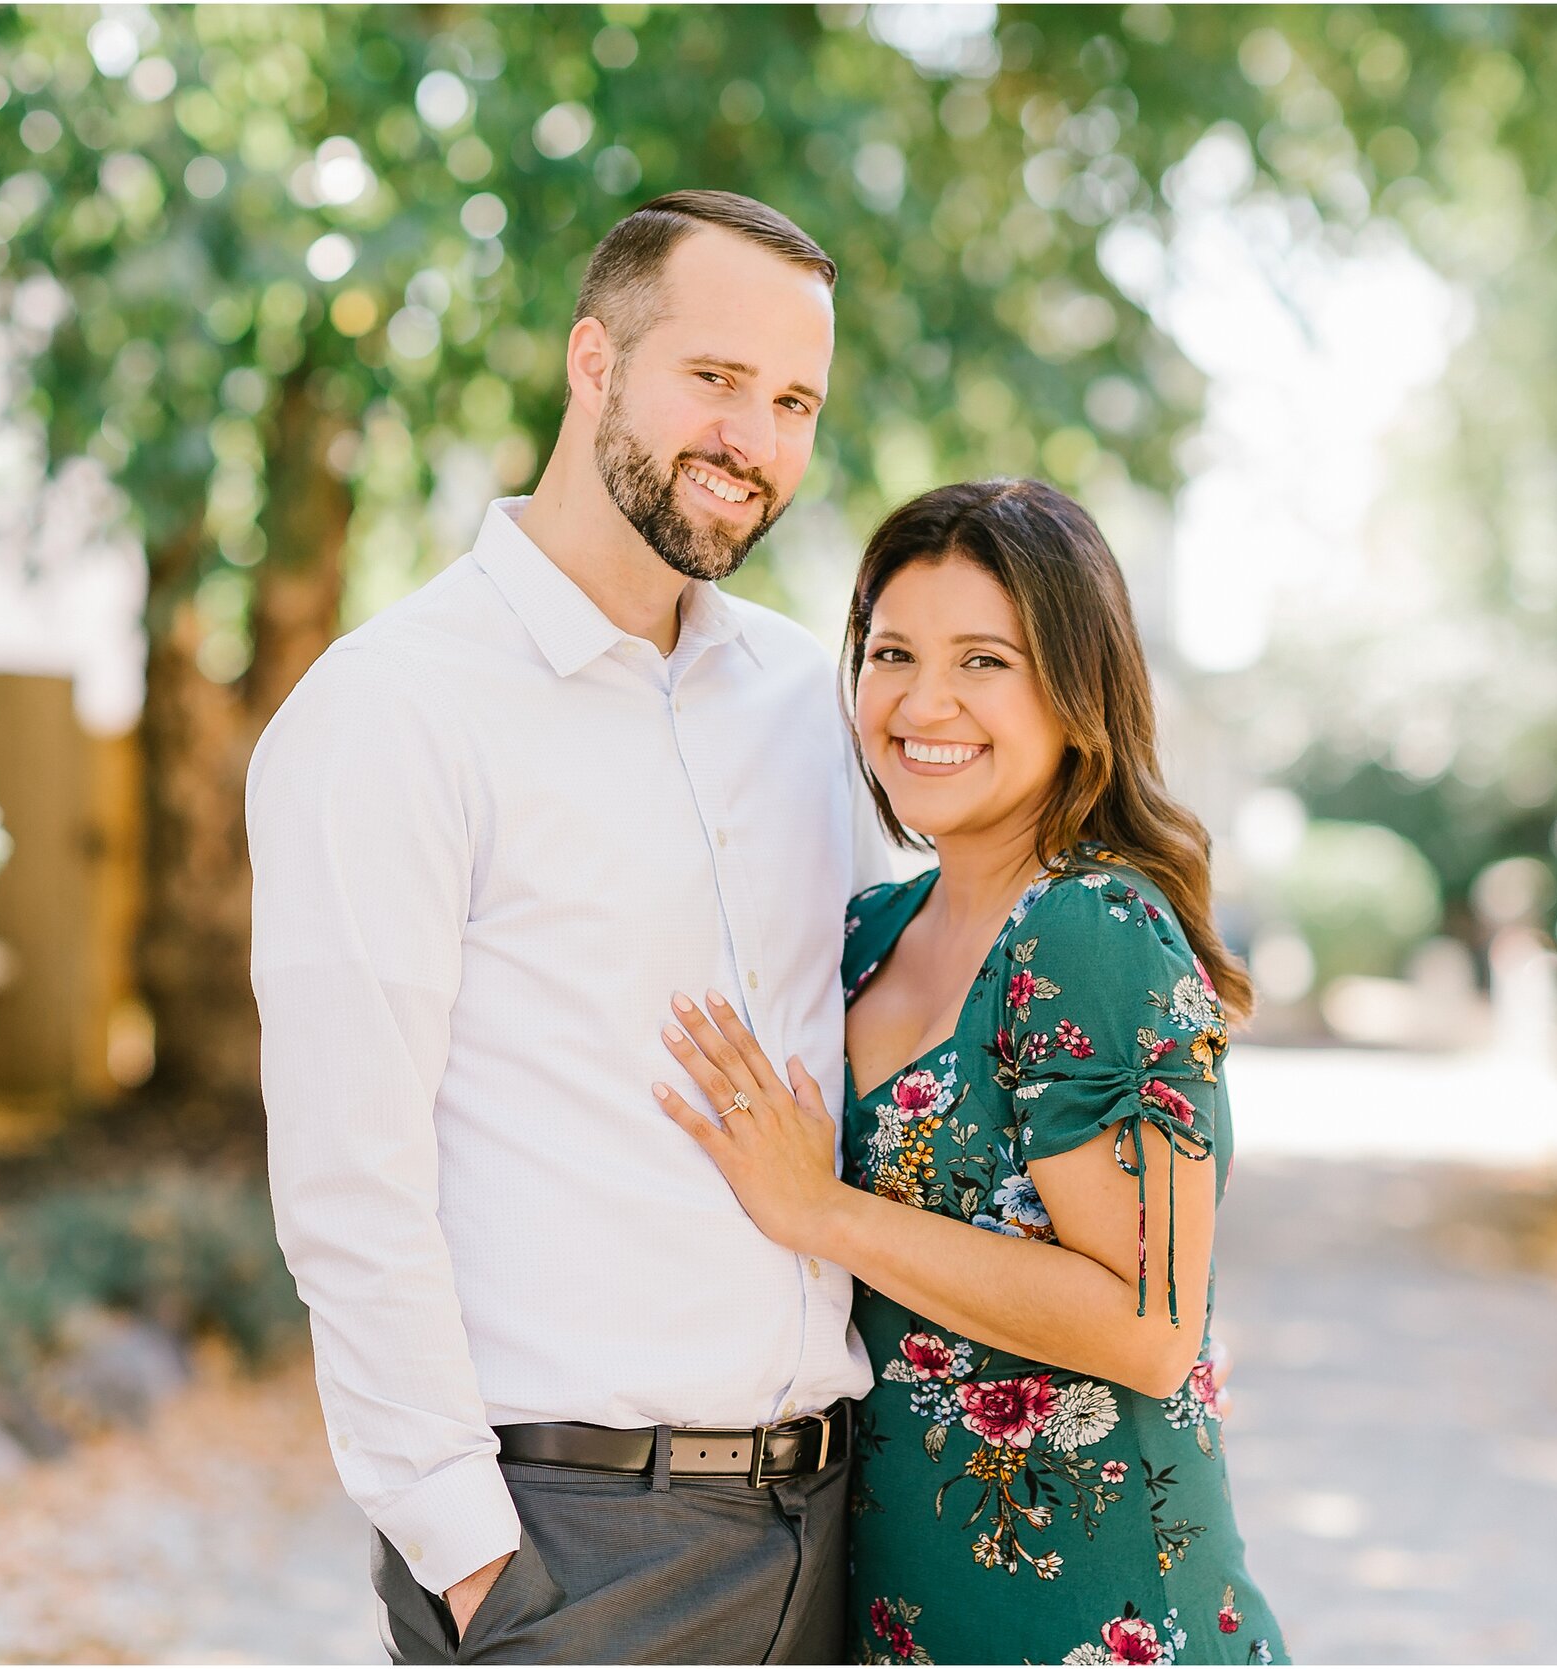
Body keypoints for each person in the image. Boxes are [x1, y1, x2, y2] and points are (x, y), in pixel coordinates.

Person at [247, 190, 880, 1665]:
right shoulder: (393, 710)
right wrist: (476, 1563)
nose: (755, 440)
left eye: (794, 401)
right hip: (574, 1553)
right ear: (594, 360)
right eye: (714, 380)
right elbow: (352, 1182)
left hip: (842, 1530)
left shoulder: (811, 703)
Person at [654, 479, 1289, 1666]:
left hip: (1093, 1620)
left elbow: (1150, 1327)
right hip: (903, 1608)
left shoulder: (1092, 928)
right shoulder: (865, 935)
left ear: (1073, 687)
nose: (923, 700)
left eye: (983, 660)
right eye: (890, 651)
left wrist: (821, 1210)